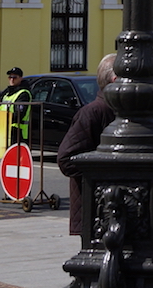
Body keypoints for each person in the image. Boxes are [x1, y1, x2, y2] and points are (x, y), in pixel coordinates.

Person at [57, 54, 119, 238]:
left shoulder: (118, 110)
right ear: (115, 80)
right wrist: (107, 170)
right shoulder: (92, 112)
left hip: (111, 210)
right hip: (95, 212)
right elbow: (66, 159)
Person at [0, 67, 30, 144]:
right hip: (4, 129)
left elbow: (19, 114)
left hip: (17, 132)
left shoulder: (23, 94)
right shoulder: (6, 94)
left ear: (20, 78)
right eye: (10, 77)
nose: (12, 79)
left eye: (14, 77)